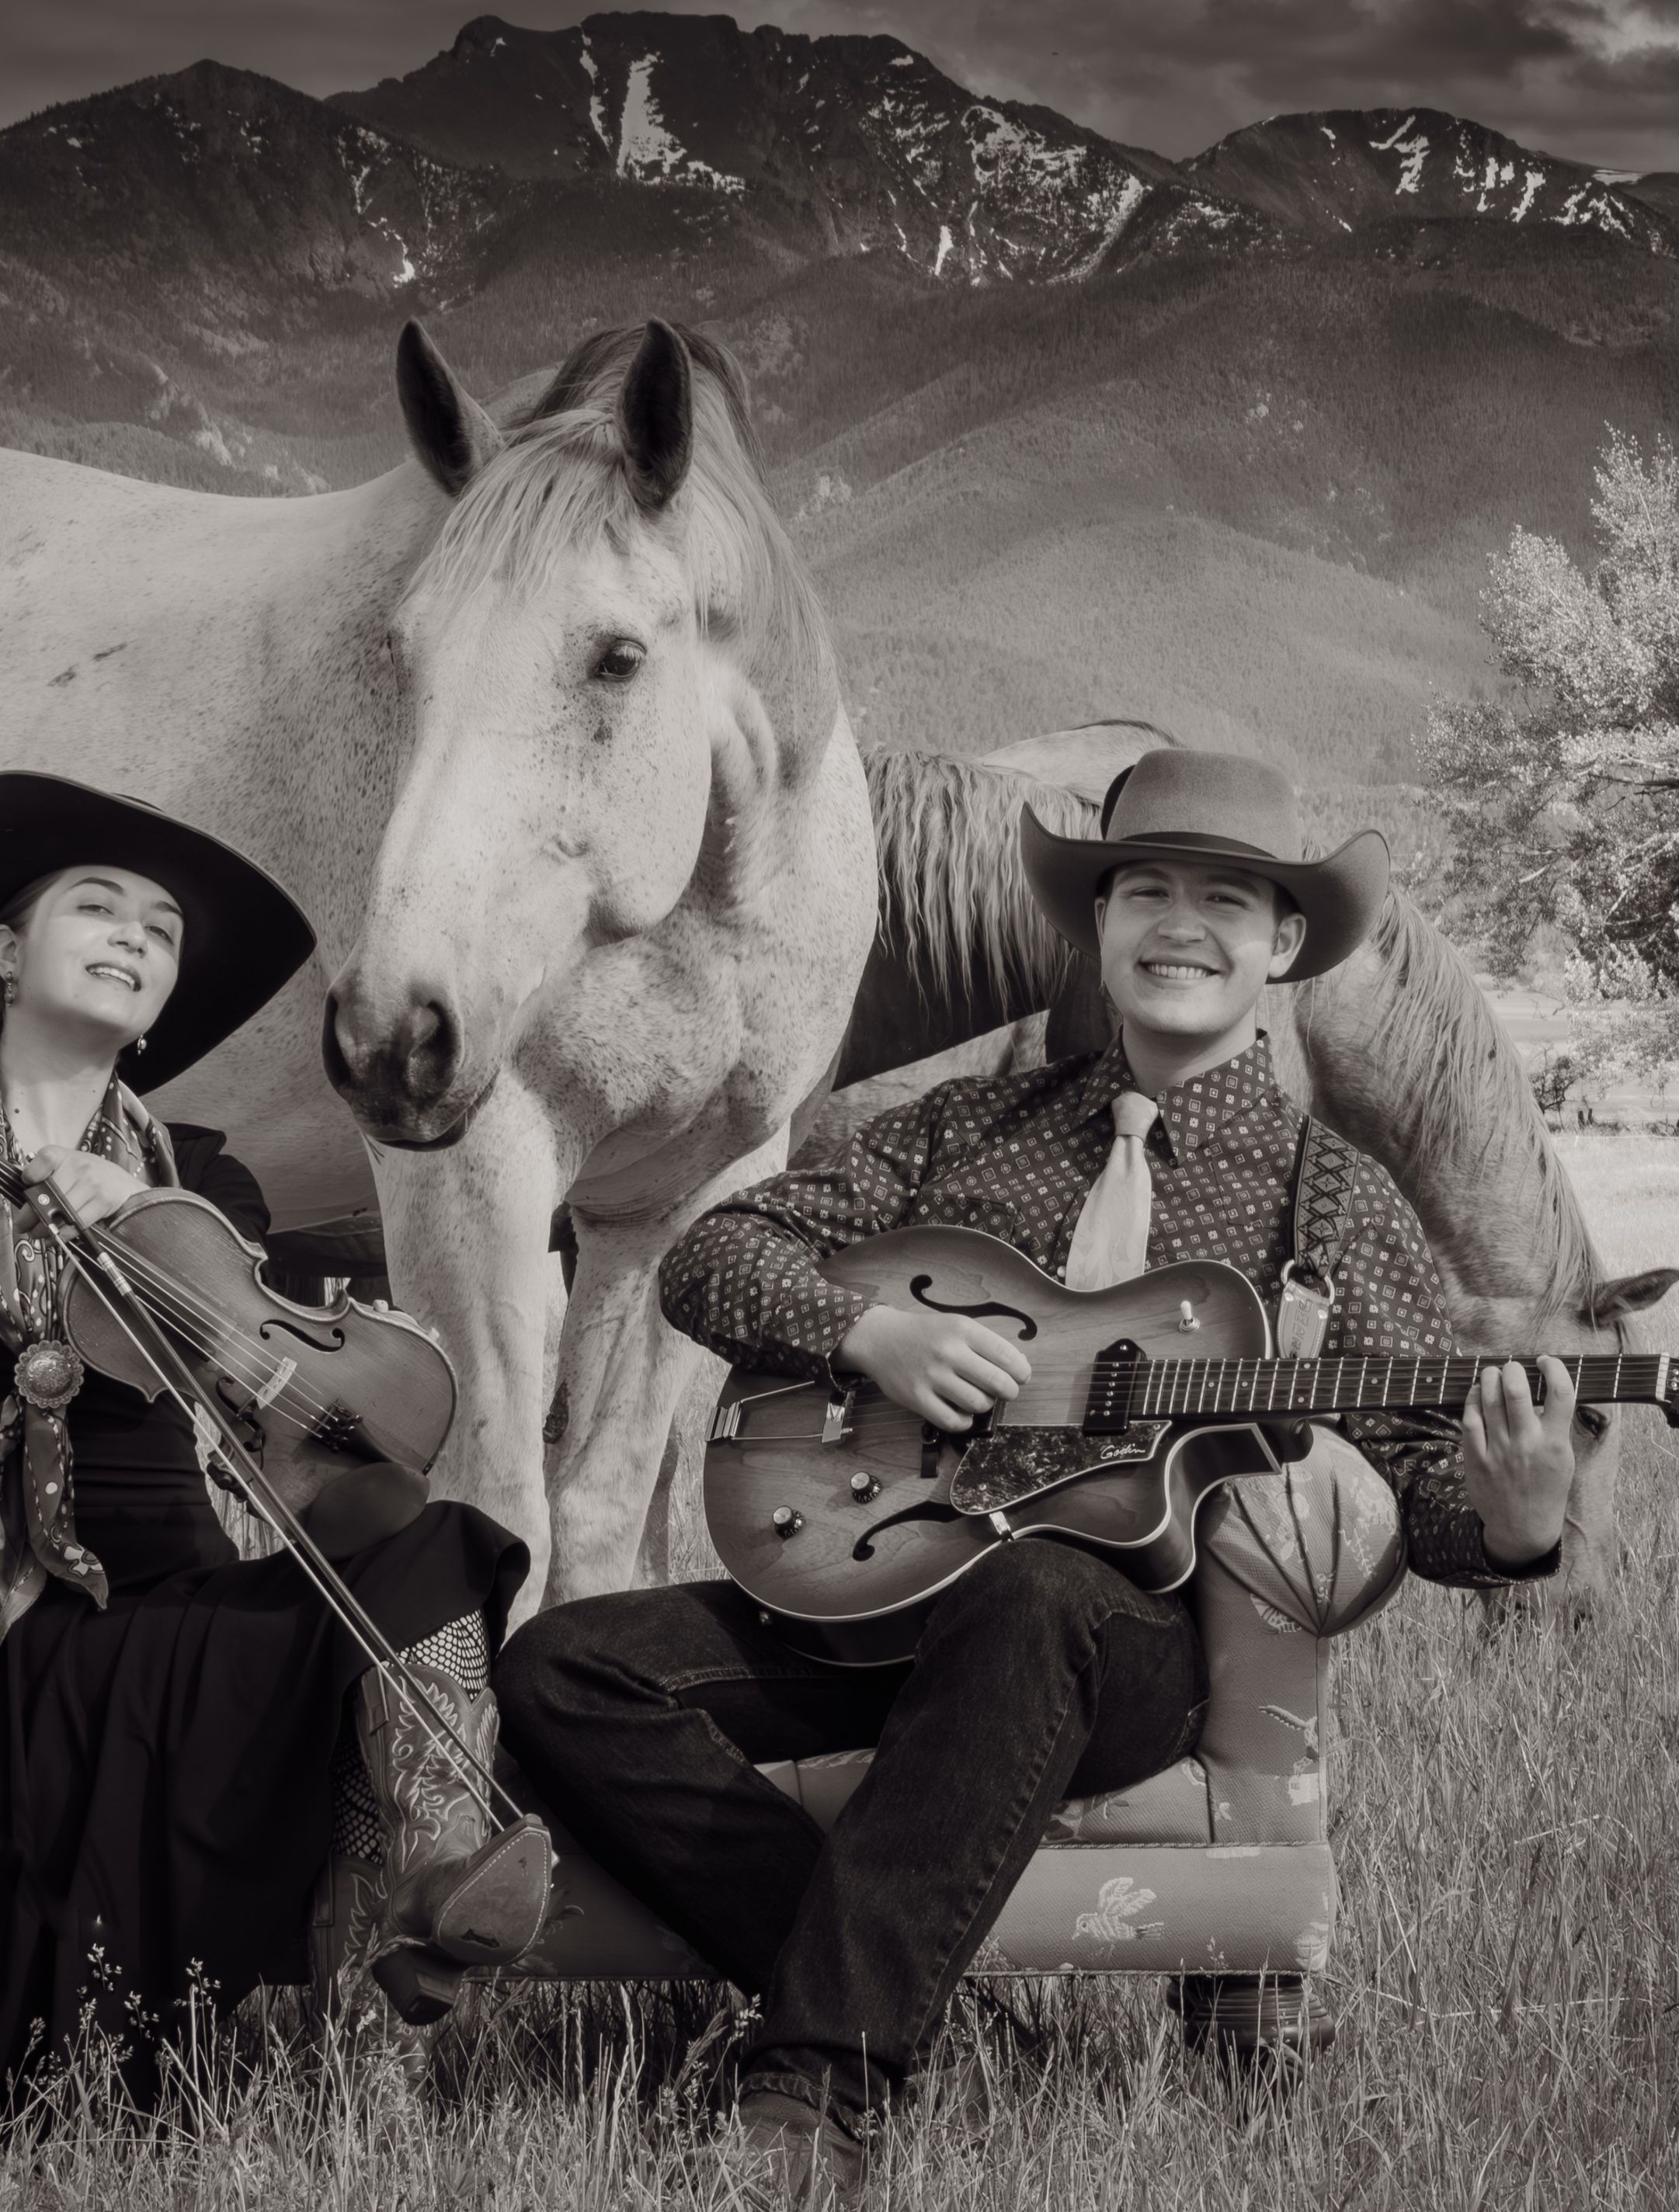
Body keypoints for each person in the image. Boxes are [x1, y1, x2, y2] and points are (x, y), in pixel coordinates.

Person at [496, 748, 1580, 2199]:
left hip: (1115, 1643)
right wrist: (872, 1331)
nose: (1180, 922)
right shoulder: (962, 1132)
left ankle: (819, 2086)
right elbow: (711, 1257)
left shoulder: (1334, 1196)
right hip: (883, 1581)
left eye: (1226, 898)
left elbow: (1418, 1477)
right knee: (570, 1666)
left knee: (1037, 1592)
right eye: (1146, 888)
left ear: (1281, 948)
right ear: (1100, 923)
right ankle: (917, 2001)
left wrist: (1511, 1525)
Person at [0, 771, 544, 2106]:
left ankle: (437, 1875)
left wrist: (146, 1226)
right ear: (4, 954)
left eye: (161, 930)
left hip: (191, 1597)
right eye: (98, 908)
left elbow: (277, 1422)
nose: (139, 936)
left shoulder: (201, 1182)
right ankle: (380, 1977)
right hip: (25, 1626)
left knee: (416, 1531)